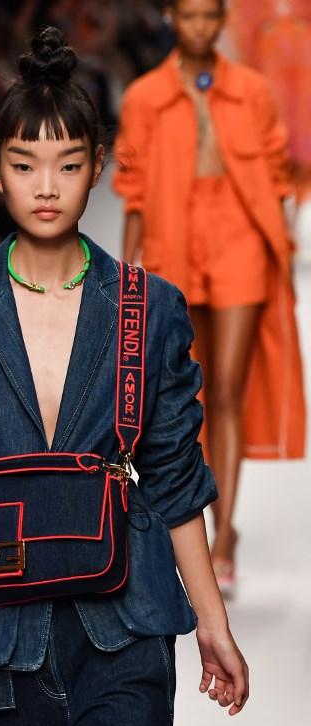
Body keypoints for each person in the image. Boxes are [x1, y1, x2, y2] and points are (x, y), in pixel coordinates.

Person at [0, 27, 249, 726]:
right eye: (25, 165)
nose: (46, 187)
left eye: (68, 164)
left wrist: (212, 622)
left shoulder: (148, 307)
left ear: (97, 167)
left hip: (125, 624)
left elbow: (174, 476)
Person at [113, 0, 306, 596]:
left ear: (221, 21)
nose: (199, 26)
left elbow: (276, 170)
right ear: (172, 18)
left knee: (227, 390)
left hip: (240, 236)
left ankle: (224, 537)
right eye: (189, 15)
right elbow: (134, 188)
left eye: (208, 16)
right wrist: (126, 274)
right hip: (175, 237)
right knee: (188, 395)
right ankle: (201, 526)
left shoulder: (251, 90)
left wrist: (281, 239)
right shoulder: (144, 96)